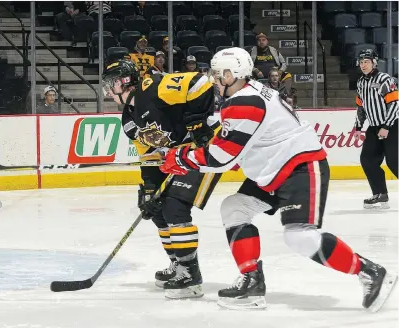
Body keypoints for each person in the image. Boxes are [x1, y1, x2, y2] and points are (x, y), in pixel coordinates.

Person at [160, 47, 397, 311]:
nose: (215, 80)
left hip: (300, 167)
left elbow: (220, 158)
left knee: (300, 237)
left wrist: (182, 158)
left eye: (219, 74)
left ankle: (371, 272)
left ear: (232, 74)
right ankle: (251, 281)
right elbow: (245, 142)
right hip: (276, 169)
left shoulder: (244, 102)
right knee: (234, 208)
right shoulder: (249, 93)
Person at [102, 59, 222, 299]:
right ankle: (179, 264)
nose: (107, 89)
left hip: (207, 151)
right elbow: (149, 157)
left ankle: (190, 276)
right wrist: (149, 188)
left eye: (111, 83)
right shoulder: (128, 121)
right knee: (156, 209)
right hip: (176, 158)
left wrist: (197, 123)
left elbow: (199, 82)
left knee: (174, 207)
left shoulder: (153, 87)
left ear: (124, 81)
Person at [354, 49, 398, 209]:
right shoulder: (360, 82)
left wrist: (386, 126)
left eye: (366, 61)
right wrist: (358, 127)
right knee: (367, 159)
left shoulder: (385, 79)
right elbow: (361, 107)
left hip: (392, 126)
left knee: (394, 162)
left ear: (374, 62)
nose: (363, 65)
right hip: (373, 128)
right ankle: (380, 193)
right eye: (361, 62)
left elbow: (394, 104)